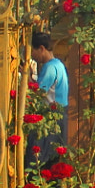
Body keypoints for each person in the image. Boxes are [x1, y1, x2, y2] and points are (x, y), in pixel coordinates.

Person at [30, 32, 70, 168]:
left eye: (33, 51)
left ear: (41, 48)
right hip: (60, 115)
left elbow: (38, 92)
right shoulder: (58, 64)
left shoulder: (50, 68)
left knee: (41, 160)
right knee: (53, 160)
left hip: (51, 116)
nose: (32, 56)